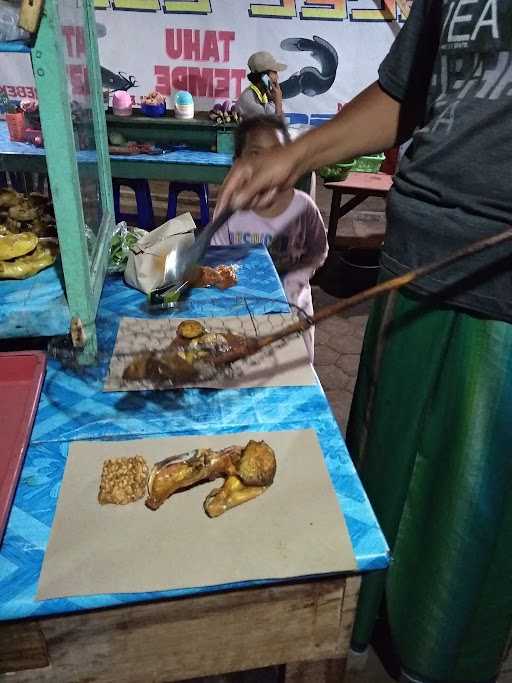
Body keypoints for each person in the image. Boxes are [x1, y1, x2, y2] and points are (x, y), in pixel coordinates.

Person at [217, 2, 512, 682]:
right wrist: (291, 154)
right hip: (413, 260)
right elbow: (405, 93)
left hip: (500, 298)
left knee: (468, 528)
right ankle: (359, 646)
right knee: (380, 488)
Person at [212, 115, 327, 362]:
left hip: (295, 313)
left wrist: (294, 279)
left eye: (277, 152)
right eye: (256, 153)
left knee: (295, 372)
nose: (267, 162)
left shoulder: (303, 207)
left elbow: (318, 250)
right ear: (237, 163)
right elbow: (217, 258)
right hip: (243, 314)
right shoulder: (230, 213)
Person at [236, 51, 286, 119]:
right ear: (264, 76)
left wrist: (274, 101)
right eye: (274, 72)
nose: (277, 77)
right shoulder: (249, 99)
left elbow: (283, 123)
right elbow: (275, 127)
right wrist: (278, 103)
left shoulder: (265, 95)